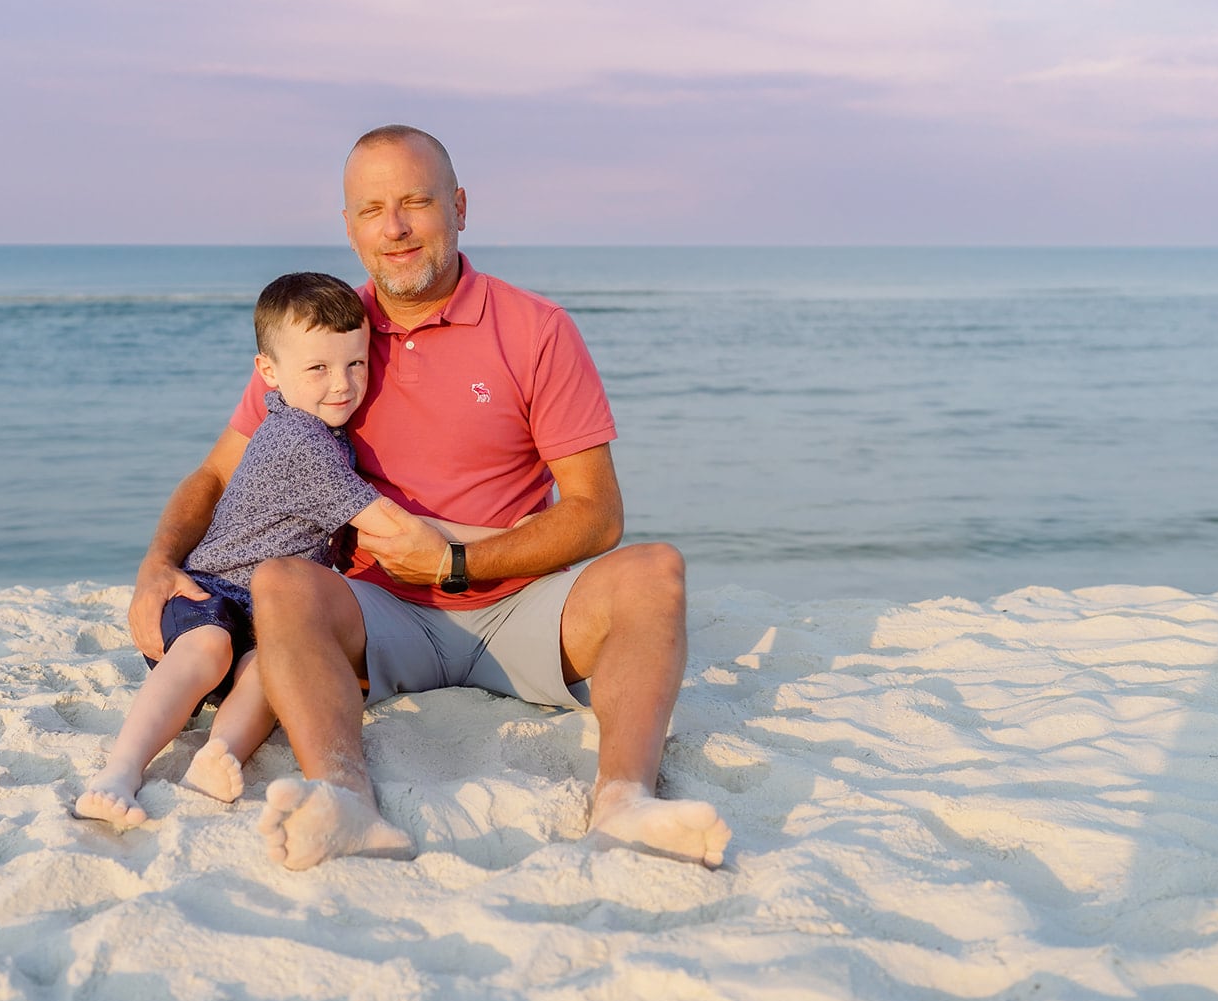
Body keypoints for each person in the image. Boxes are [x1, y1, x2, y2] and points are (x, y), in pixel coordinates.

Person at [128, 126, 732, 869]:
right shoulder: (321, 338)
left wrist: (454, 561)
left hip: (522, 603)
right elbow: (219, 473)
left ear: (460, 207)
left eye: (416, 201)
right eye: (373, 208)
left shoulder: (538, 329)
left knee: (655, 570)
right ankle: (345, 799)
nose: (397, 227)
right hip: (376, 614)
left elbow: (597, 512)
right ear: (348, 227)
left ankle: (625, 800)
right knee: (284, 582)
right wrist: (158, 563)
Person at [79, 271, 506, 828]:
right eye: (318, 368)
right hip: (209, 592)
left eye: (356, 363)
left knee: (267, 667)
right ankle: (120, 770)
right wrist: (502, 537)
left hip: (266, 612)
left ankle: (220, 752)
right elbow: (397, 527)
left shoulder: (321, 432)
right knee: (209, 647)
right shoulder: (302, 442)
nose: (342, 384)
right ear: (269, 374)